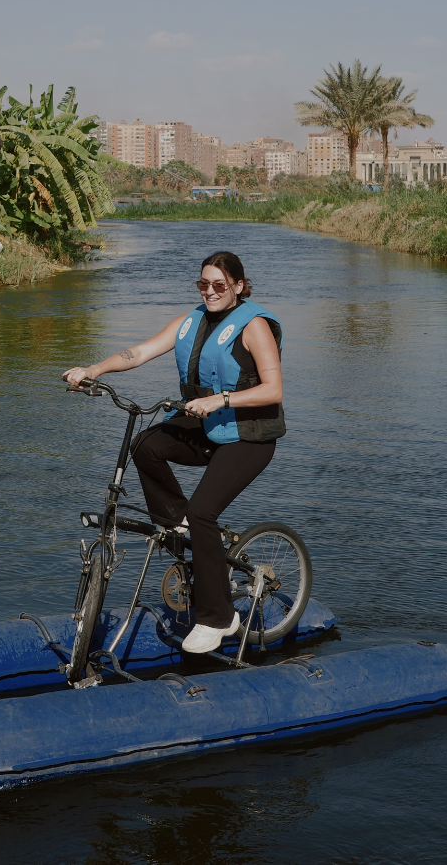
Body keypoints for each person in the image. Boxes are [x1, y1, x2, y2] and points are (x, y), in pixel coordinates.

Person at [63, 250, 284, 653]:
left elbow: (274, 390)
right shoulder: (191, 321)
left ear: (238, 285)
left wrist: (220, 401)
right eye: (204, 284)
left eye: (219, 285)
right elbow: (140, 353)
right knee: (146, 445)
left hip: (249, 435)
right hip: (208, 426)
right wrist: (92, 370)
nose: (210, 292)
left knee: (204, 512)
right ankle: (180, 524)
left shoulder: (254, 326)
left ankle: (218, 618)